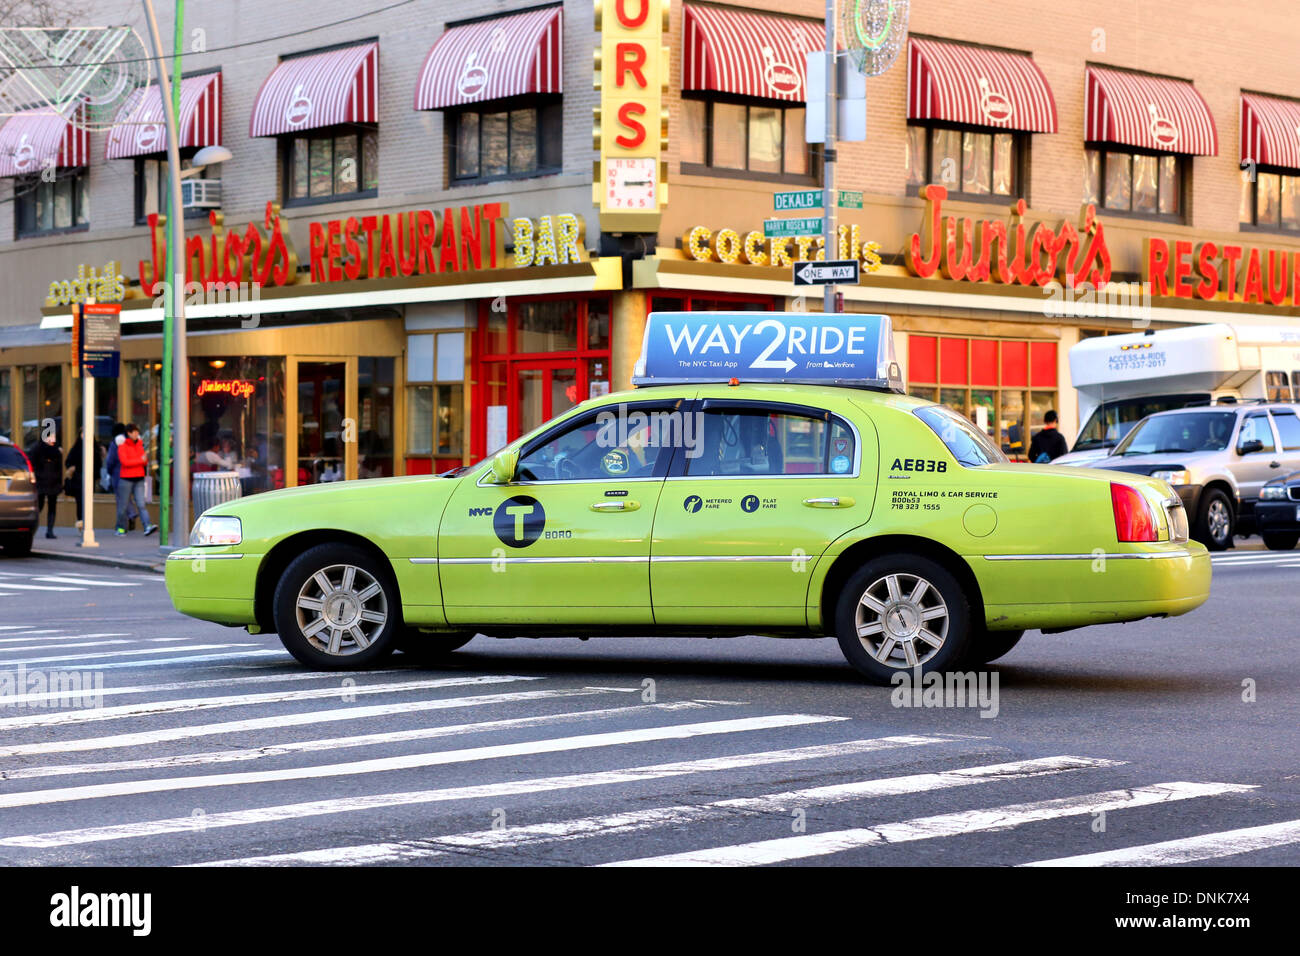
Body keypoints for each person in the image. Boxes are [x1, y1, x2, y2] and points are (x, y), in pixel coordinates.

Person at [115, 423, 157, 536]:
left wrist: (139, 460)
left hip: (139, 478)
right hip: (126, 479)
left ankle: (147, 526)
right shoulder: (122, 446)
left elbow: (145, 460)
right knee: (123, 506)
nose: (137, 434)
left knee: (141, 504)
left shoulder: (139, 444)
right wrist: (139, 460)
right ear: (129, 433)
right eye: (135, 432)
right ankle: (120, 528)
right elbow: (125, 462)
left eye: (137, 432)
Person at [65, 426, 103, 531]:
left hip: (90, 478)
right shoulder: (76, 447)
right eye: (82, 434)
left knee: (88, 501)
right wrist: (73, 468)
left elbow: (98, 463)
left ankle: (87, 523)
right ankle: (81, 522)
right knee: (80, 501)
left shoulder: (94, 448)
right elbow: (68, 461)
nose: (84, 436)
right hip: (78, 478)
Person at [27, 430, 63, 539]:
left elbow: (60, 468)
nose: (52, 440)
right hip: (41, 482)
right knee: (39, 506)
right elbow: (32, 465)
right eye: (50, 437)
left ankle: (50, 531)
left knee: (52, 506)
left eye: (53, 437)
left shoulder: (57, 450)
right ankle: (30, 528)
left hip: (53, 482)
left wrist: (60, 481)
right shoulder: (37, 449)